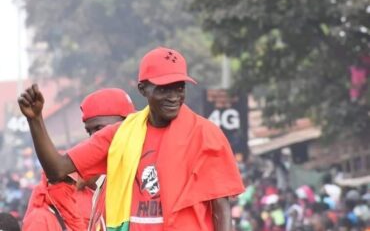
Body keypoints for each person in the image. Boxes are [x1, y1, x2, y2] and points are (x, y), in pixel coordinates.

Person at [18, 46, 244, 231]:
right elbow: (57, 169)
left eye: (179, 87)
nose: (174, 97)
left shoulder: (206, 134)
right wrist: (35, 120)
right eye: (164, 89)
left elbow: (221, 208)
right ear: (143, 89)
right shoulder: (120, 135)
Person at [21, 88, 135, 231]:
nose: (95, 137)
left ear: (128, 123)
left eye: (99, 128)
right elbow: (57, 168)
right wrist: (35, 119)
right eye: (89, 131)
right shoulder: (102, 188)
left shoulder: (148, 159)